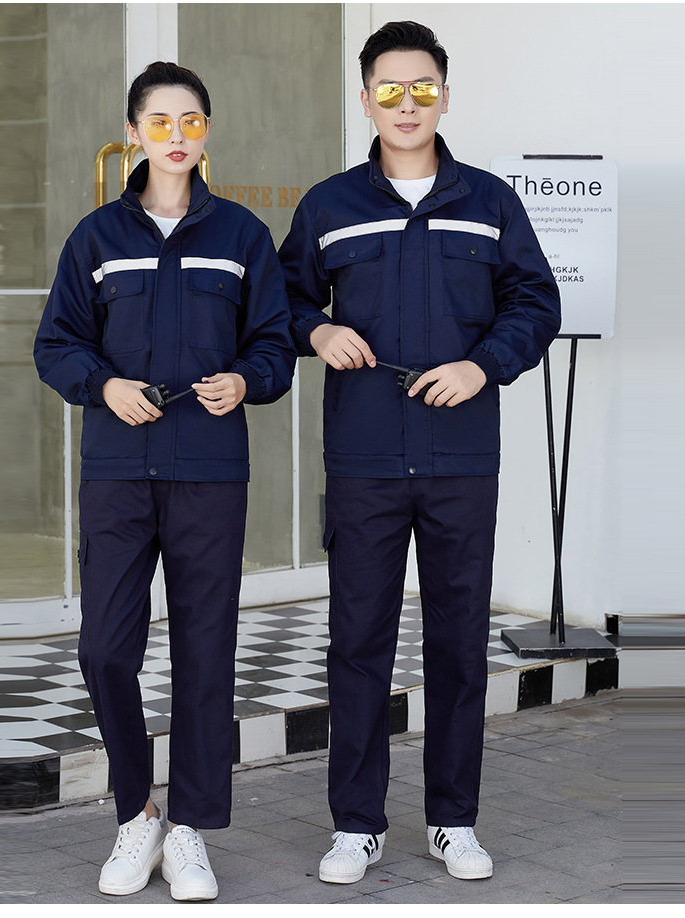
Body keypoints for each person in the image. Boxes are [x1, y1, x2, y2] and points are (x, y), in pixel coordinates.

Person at [279, 21, 561, 885]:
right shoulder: (329, 205)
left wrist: (482, 366)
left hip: (460, 459)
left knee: (458, 644)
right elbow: (282, 302)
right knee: (358, 642)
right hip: (364, 458)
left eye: (424, 88)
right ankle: (356, 825)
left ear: (445, 95)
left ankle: (453, 820)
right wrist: (318, 330)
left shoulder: (490, 202)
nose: (407, 105)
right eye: (390, 90)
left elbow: (535, 303)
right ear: (365, 100)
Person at [34, 61, 295, 901]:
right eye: (159, 122)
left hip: (209, 471)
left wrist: (246, 380)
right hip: (118, 469)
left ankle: (189, 830)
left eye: (190, 121)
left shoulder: (242, 236)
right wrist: (103, 385)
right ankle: (136, 812)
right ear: (133, 133)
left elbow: (275, 342)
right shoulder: (97, 238)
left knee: (205, 651)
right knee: (104, 648)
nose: (176, 136)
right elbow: (56, 343)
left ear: (206, 131)